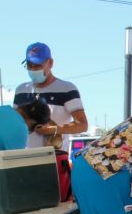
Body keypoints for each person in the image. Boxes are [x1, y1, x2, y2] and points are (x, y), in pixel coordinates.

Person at [13, 42, 88, 203]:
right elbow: (15, 123)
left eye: (38, 65)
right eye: (29, 65)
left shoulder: (67, 88)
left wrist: (54, 130)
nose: (33, 69)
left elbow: (82, 124)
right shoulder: (21, 90)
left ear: (50, 63)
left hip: (53, 161)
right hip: (24, 161)